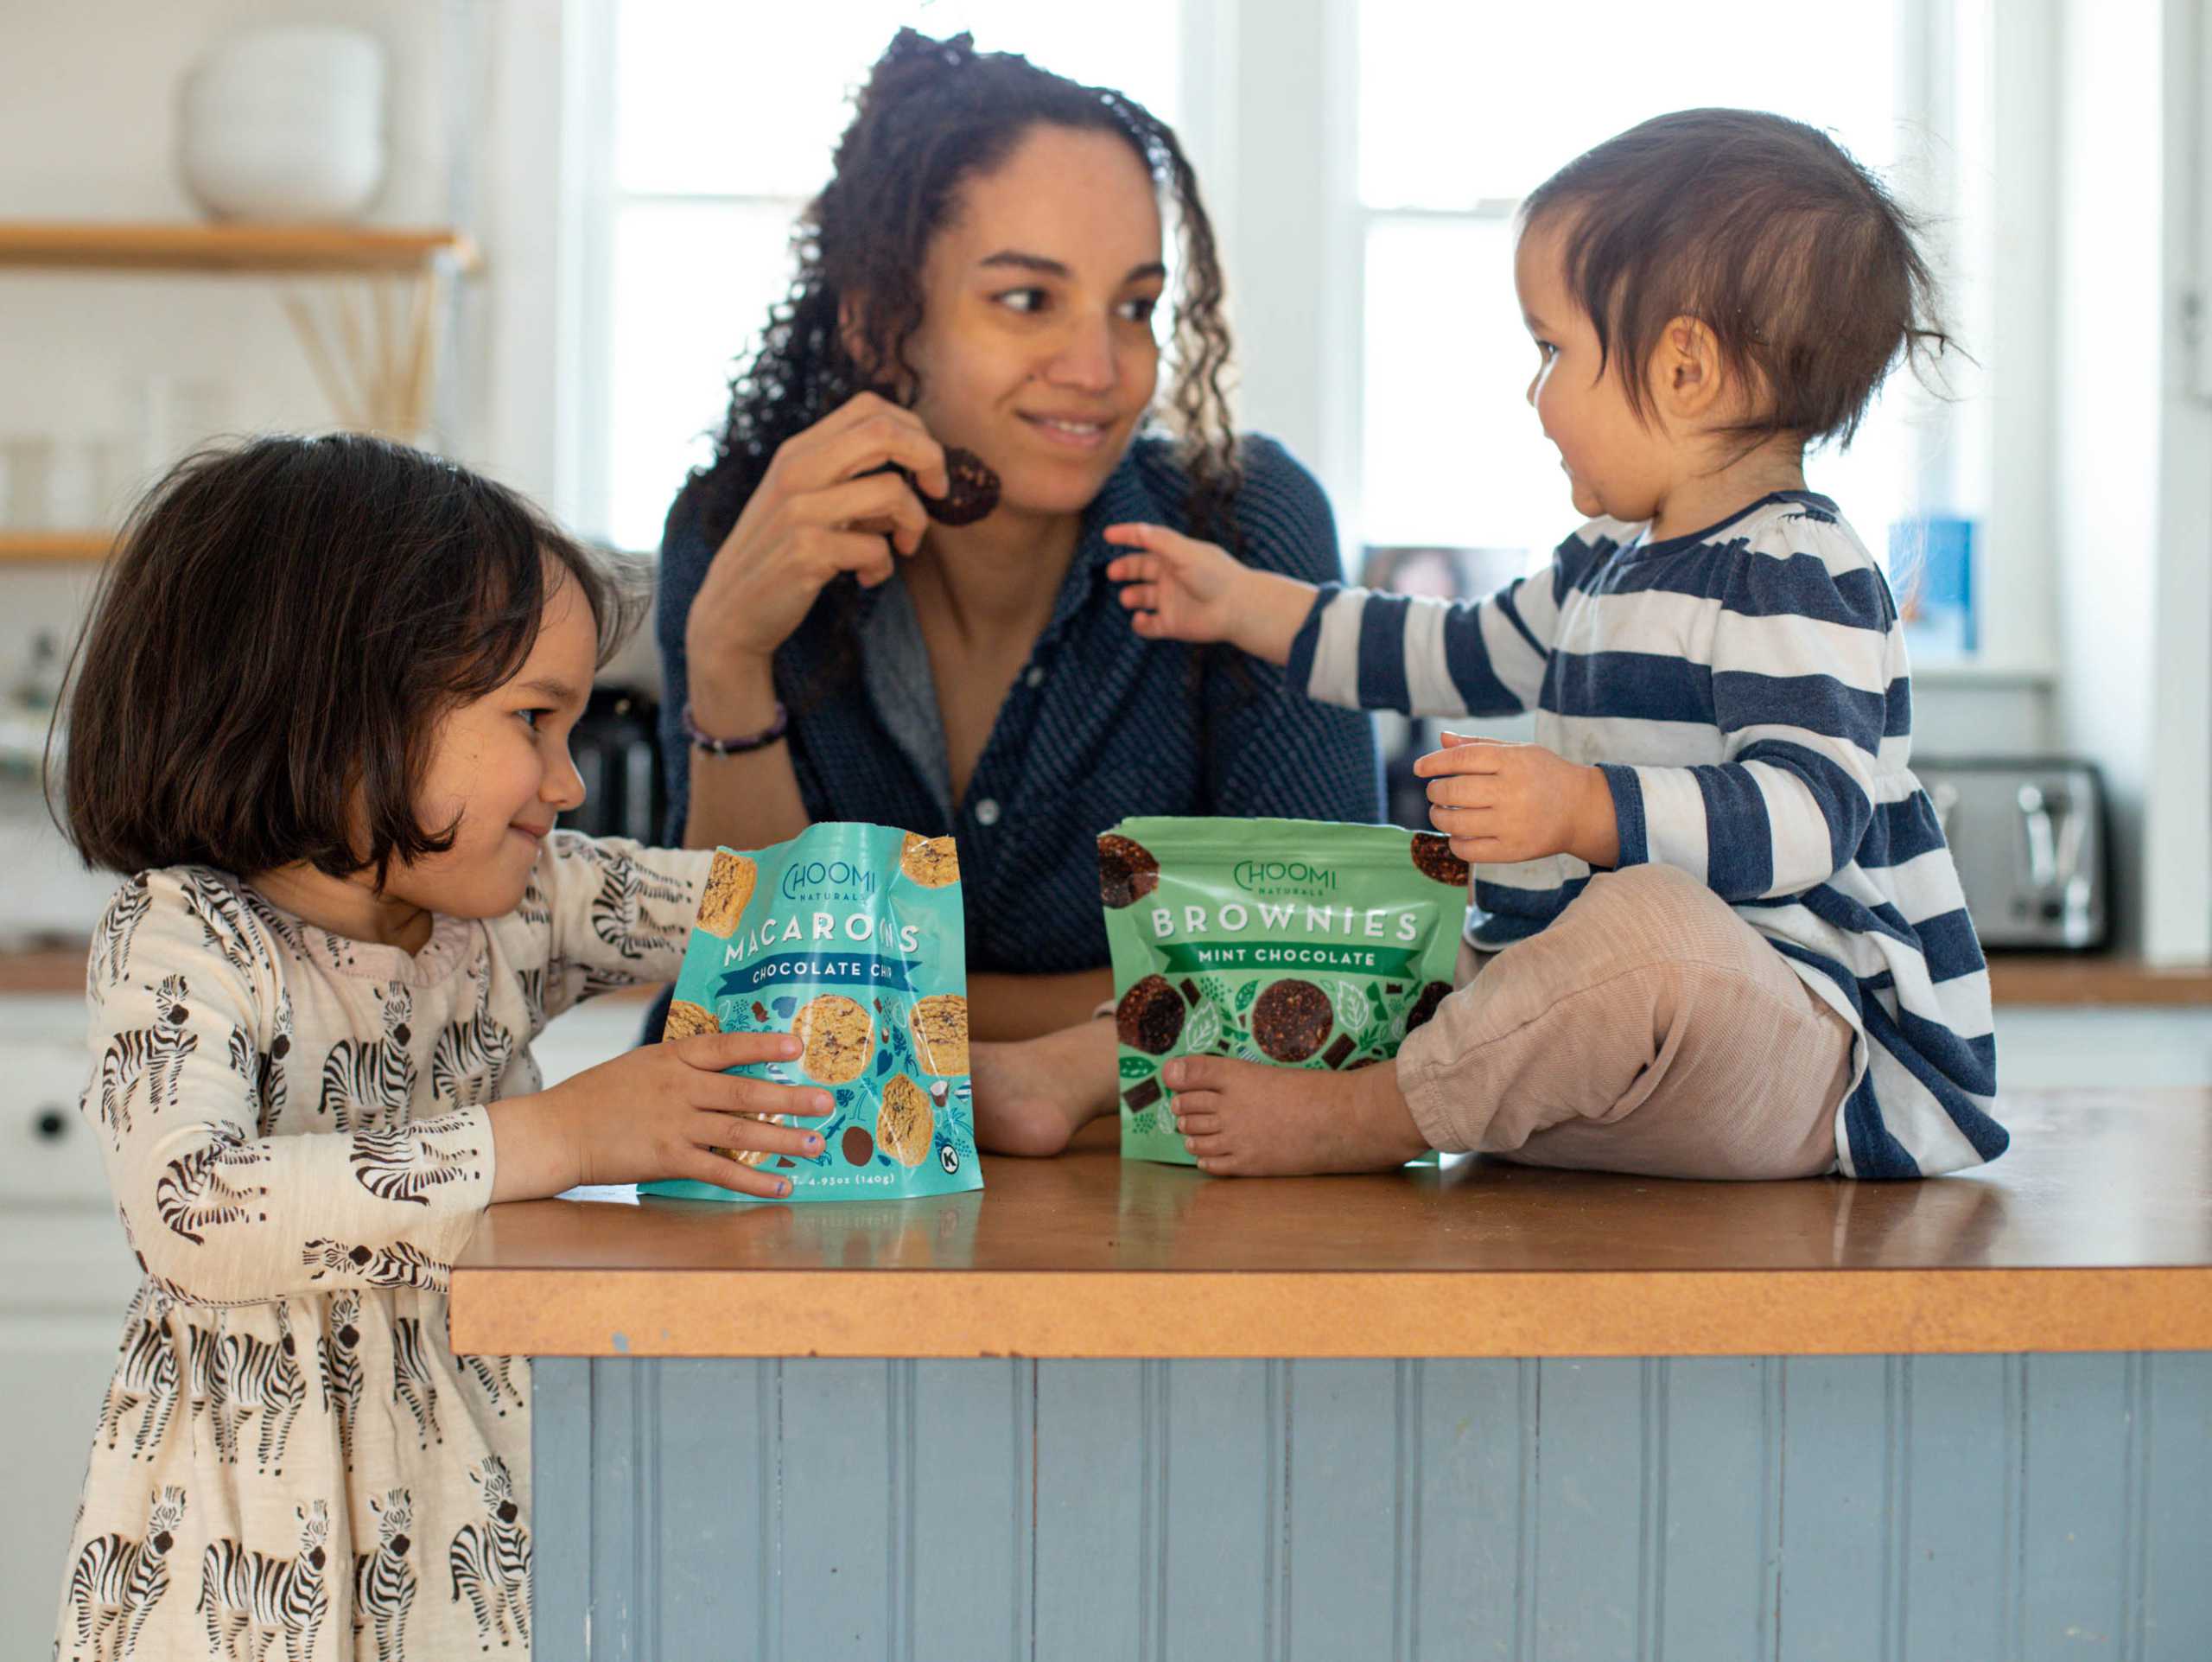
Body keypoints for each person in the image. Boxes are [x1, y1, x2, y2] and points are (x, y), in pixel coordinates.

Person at [1103, 109, 2006, 1181]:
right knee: (1383, 948)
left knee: (1641, 931)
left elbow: (1809, 815)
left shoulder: (1795, 567)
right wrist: (1247, 605)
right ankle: (1093, 1073)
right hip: (1606, 1047)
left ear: (1683, 368)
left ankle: (1367, 1121)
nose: (1532, 395)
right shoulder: (1605, 559)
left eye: (1551, 350)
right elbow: (1454, 652)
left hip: (1803, 1048)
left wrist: (1583, 810)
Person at [48, 434, 832, 1656]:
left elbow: (784, 901)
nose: (567, 782)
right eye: (535, 718)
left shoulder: (514, 908)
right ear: (344, 702)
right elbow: (193, 1211)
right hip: (239, 1562)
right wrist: (564, 1132)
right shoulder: (184, 937)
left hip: (473, 1516)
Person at [653, 29, 1380, 1154]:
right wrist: (729, 663)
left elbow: (1334, 977)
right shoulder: (741, 536)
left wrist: (897, 999)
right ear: (879, 324)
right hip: (815, 1207)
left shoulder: (1248, 528)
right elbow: (741, 1013)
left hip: (1178, 1221)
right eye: (1029, 299)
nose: (1101, 368)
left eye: (1135, 306)